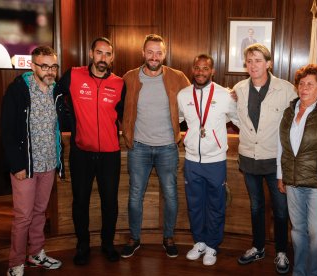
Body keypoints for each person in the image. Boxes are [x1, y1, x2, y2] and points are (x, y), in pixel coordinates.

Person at [233, 43, 317, 274]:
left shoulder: (286, 88)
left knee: (280, 209)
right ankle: (257, 247)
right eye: (249, 61)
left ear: (268, 63)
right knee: (256, 207)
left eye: (258, 60)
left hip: (276, 161)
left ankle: (280, 251)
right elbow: (235, 117)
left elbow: (308, 102)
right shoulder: (238, 89)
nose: (253, 65)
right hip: (249, 158)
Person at [55, 37, 126, 265]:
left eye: (107, 54)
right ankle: (82, 246)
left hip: (109, 154)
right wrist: (67, 120)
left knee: (109, 203)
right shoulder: (74, 75)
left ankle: (107, 245)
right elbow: (54, 94)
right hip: (81, 153)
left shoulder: (119, 83)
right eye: (99, 52)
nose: (102, 58)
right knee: (81, 202)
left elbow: (125, 114)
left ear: (112, 57)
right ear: (91, 53)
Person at [121, 34, 190, 258]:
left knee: (171, 194)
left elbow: (195, 98)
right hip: (138, 147)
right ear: (143, 53)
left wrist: (228, 94)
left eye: (159, 52)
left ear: (164, 54)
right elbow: (117, 107)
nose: (154, 56)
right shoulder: (129, 77)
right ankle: (134, 238)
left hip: (168, 148)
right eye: (150, 52)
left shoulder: (177, 77)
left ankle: (168, 237)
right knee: (135, 195)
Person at [1, 46, 64, 276]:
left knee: (40, 212)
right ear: (33, 66)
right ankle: (15, 263)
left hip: (48, 162)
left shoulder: (56, 90)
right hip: (25, 166)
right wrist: (16, 165)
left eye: (53, 66)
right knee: (23, 217)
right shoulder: (18, 90)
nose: (50, 71)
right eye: (44, 66)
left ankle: (36, 252)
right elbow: (6, 131)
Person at [277, 64, 317, 276]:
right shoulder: (288, 112)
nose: (304, 88)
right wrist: (281, 175)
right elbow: (282, 146)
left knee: (316, 234)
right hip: (292, 182)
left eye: (310, 85)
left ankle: (315, 273)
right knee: (297, 232)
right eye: (301, 84)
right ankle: (299, 271)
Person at [178, 54, 239, 266]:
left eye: (206, 68)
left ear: (212, 71)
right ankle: (200, 242)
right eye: (197, 68)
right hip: (192, 159)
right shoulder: (183, 95)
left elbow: (237, 119)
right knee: (195, 204)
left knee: (215, 204)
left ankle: (212, 245)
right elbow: (176, 120)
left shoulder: (225, 95)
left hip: (216, 160)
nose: (201, 72)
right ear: (192, 69)